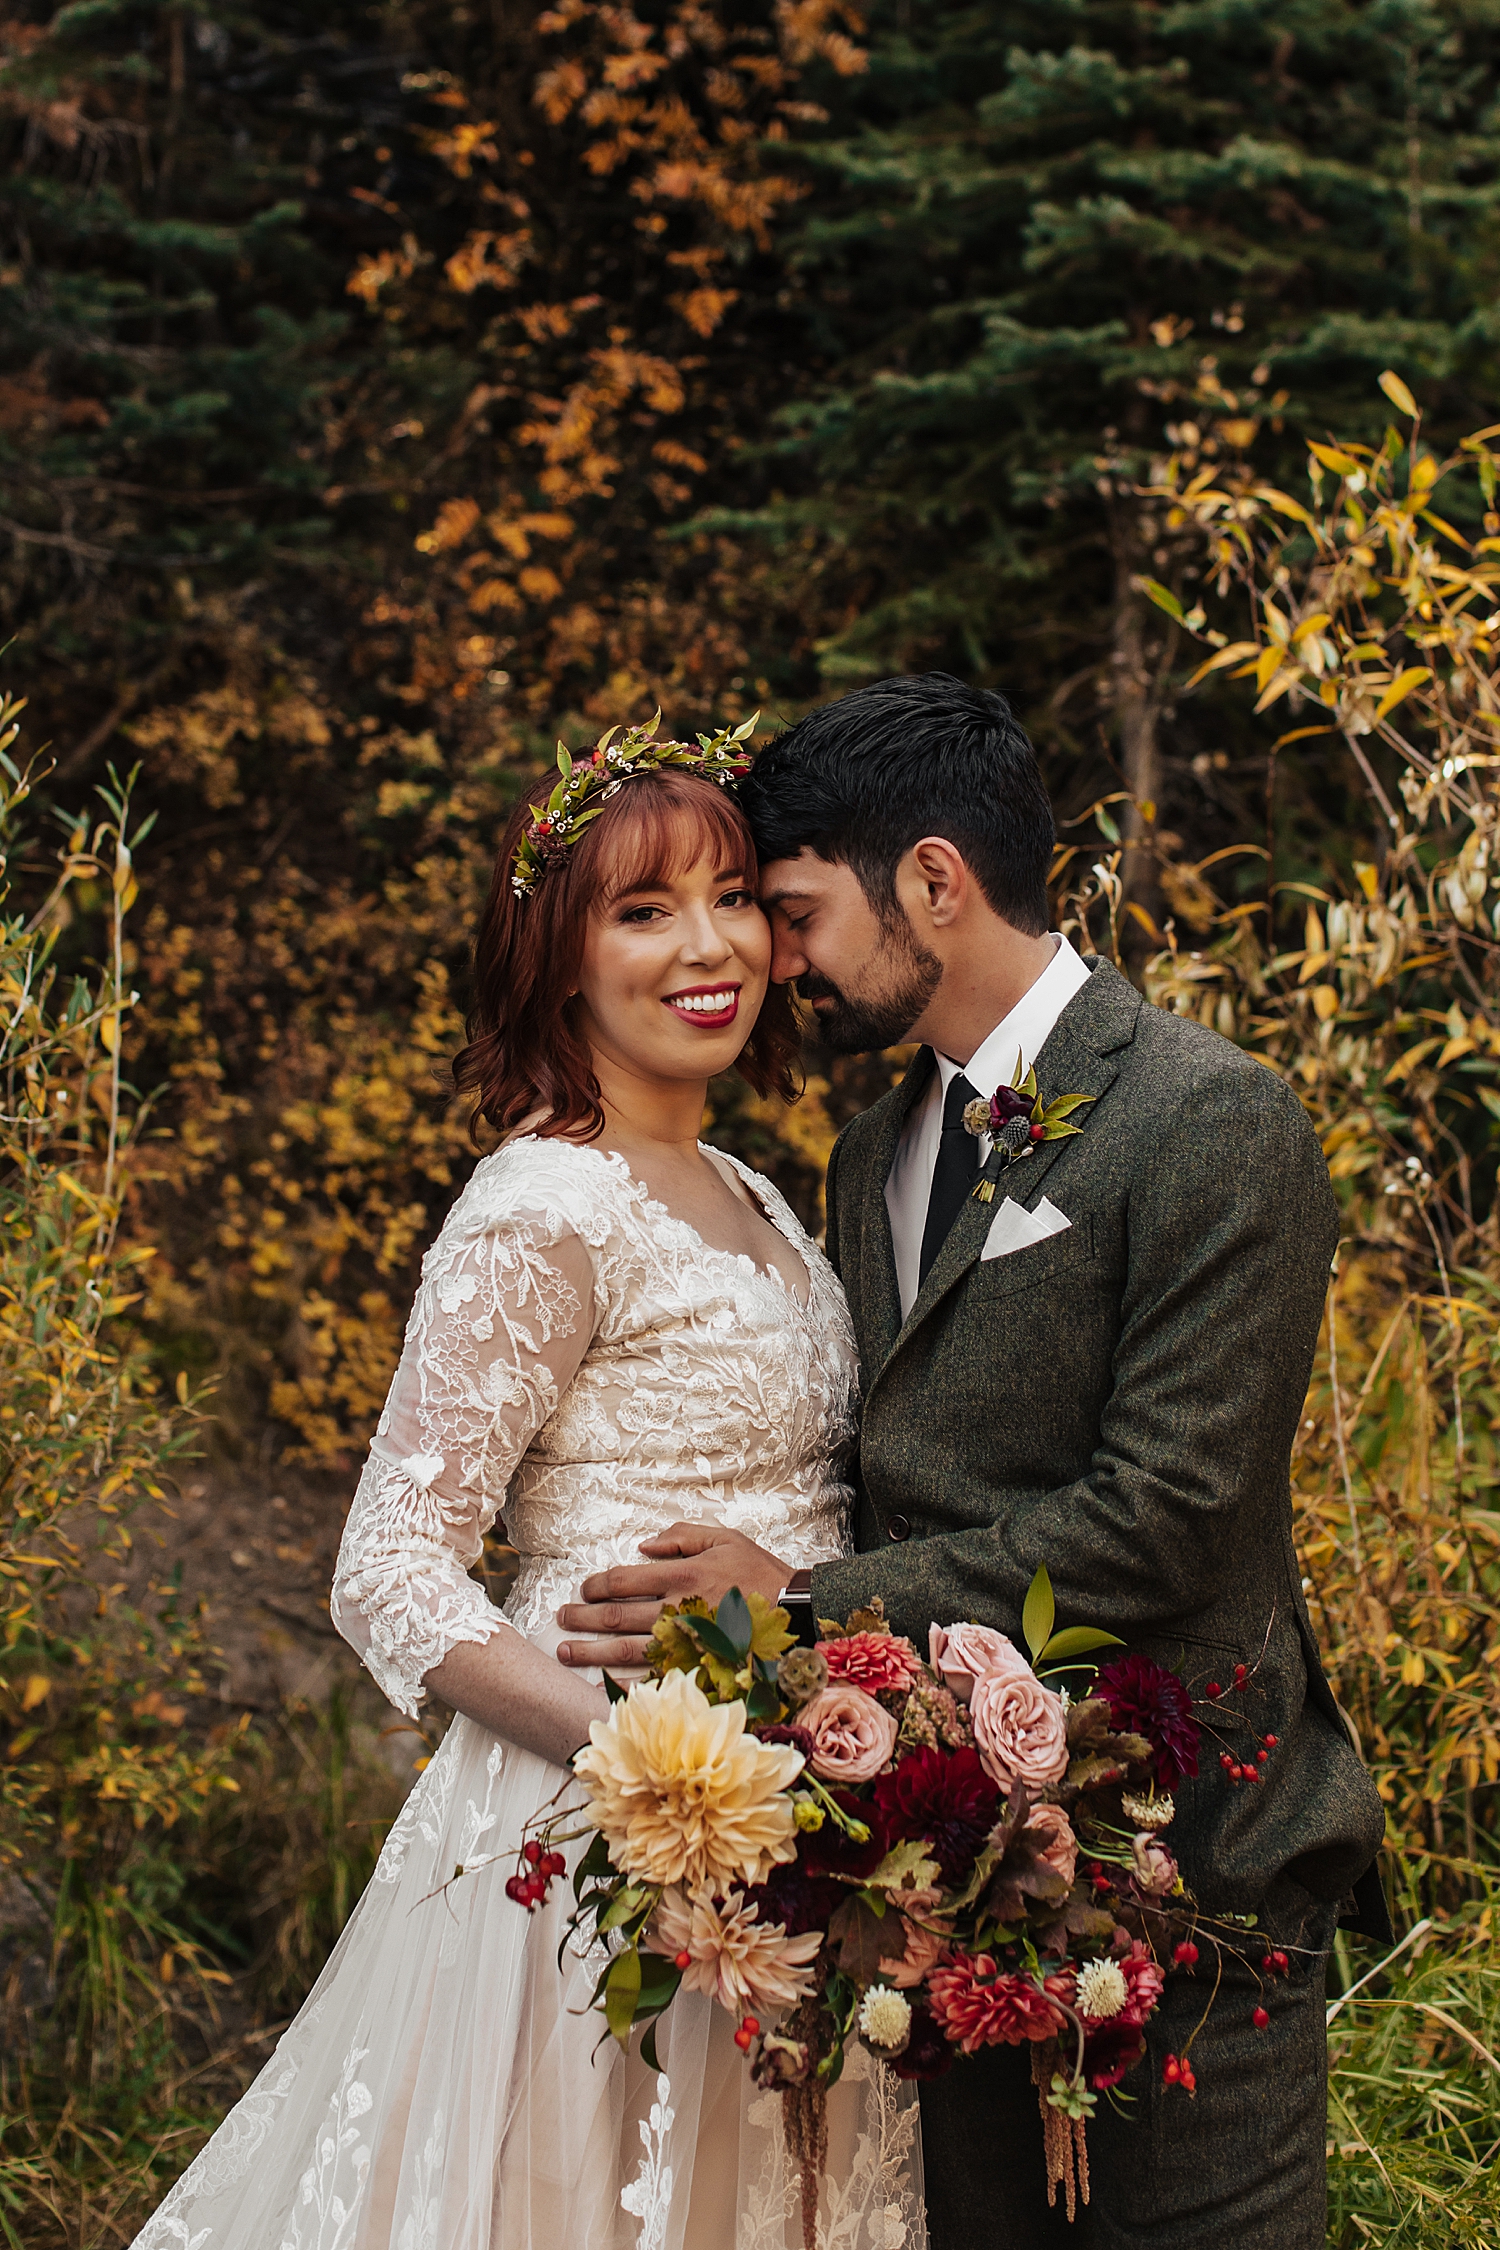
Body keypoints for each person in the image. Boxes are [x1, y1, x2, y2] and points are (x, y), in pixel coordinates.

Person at [555, 675, 1389, 2250]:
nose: (769, 958)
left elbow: (1171, 1516)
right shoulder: (870, 1150)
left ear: (933, 881)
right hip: (934, 1892)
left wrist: (798, 1596)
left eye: (790, 911)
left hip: (1192, 1893)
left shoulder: (1213, 1118)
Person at [129, 723, 925, 2250]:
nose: (710, 946)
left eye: (734, 895)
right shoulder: (547, 1203)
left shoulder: (755, 1181)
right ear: (557, 956)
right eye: (643, 910)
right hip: (602, 1819)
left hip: (785, 1820)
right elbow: (390, 1563)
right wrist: (648, 1762)